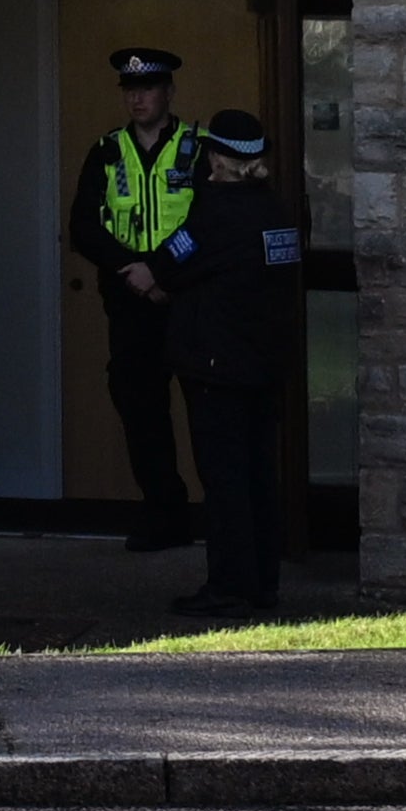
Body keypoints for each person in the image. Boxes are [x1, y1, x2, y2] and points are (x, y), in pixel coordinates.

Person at [162, 110, 308, 613]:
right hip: (265, 366)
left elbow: (168, 265)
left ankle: (230, 587)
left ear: (218, 160)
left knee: (225, 480)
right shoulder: (277, 210)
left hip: (217, 368)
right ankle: (262, 581)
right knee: (259, 475)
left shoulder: (218, 213)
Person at [86, 45, 207, 553]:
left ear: (168, 92)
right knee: (142, 415)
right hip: (131, 304)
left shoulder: (197, 148)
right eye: (130, 91)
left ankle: (222, 518)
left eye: (148, 89)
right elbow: (83, 227)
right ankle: (164, 515)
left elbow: (208, 224)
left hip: (188, 302)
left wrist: (161, 271)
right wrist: (132, 272)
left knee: (207, 412)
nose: (138, 99)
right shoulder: (106, 151)